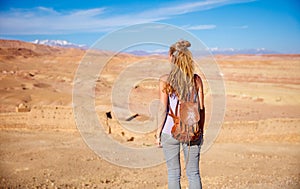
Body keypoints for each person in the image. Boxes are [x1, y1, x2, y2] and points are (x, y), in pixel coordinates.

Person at [156, 40, 205, 189]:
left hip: (169, 133)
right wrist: (200, 130)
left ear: (171, 57)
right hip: (192, 131)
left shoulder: (165, 80)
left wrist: (158, 133)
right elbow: (201, 108)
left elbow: (162, 109)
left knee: (173, 173)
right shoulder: (196, 80)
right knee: (193, 173)